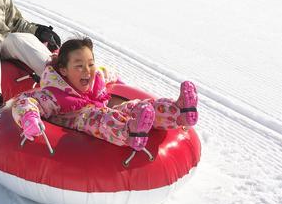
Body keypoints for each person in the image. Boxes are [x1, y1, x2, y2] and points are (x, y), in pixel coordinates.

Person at [11, 37, 199, 151]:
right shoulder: (53, 93)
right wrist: (29, 117)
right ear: (63, 70)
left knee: (135, 106)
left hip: (105, 108)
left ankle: (178, 112)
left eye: (90, 64)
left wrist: (120, 86)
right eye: (79, 66)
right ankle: (130, 133)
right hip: (80, 120)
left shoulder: (96, 75)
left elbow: (110, 74)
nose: (87, 71)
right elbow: (25, 101)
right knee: (98, 118)